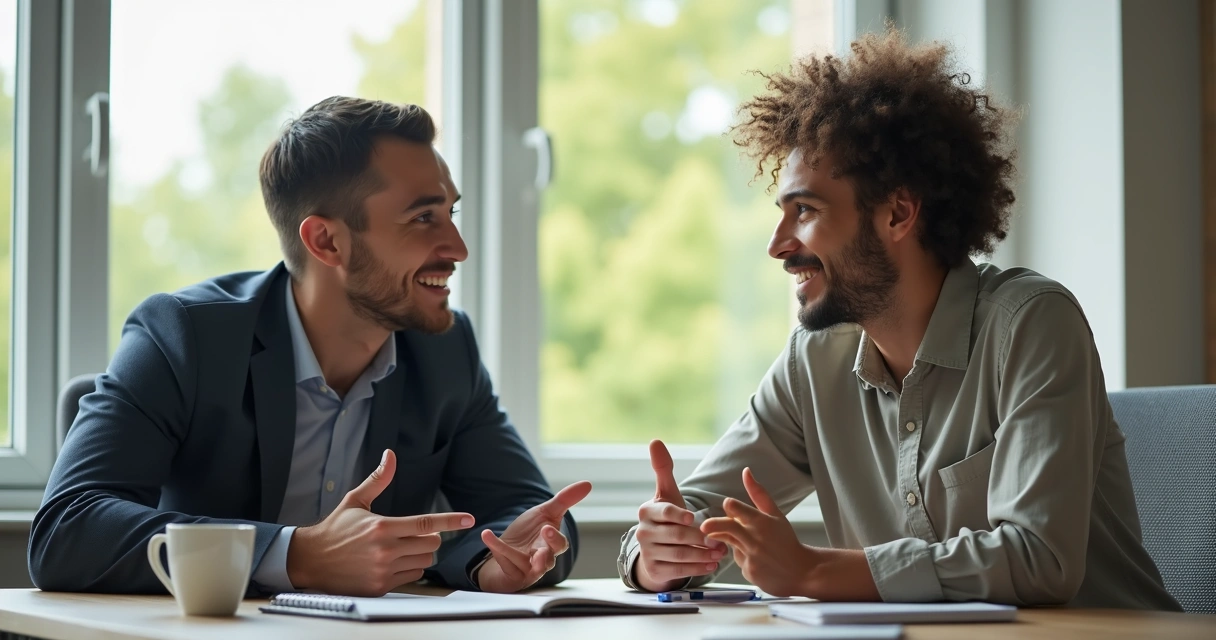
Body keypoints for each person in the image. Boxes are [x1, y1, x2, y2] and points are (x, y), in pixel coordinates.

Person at [618, 29, 1179, 610]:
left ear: (898, 213)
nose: (778, 245)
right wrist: (655, 552)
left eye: (805, 210)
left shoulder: (1032, 325)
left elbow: (1039, 560)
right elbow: (699, 511)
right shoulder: (814, 362)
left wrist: (813, 571)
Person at [30, 96, 590, 597]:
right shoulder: (184, 335)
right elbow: (66, 531)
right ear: (326, 240)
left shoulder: (445, 352)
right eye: (423, 218)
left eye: (451, 213)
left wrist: (500, 561)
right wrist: (296, 553)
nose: (458, 248)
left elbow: (529, 513)